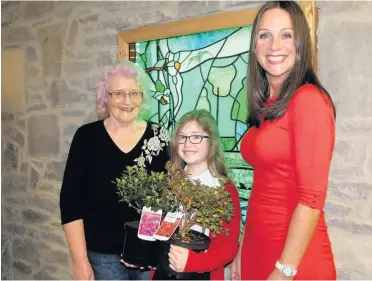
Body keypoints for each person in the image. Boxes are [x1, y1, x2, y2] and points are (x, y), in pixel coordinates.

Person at [230, 1, 336, 280]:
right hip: (258, 249)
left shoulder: (309, 100)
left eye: (286, 35)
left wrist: (283, 271)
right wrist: (243, 246)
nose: (274, 45)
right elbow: (263, 185)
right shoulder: (267, 105)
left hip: (295, 261)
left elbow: (311, 200)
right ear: (255, 46)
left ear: (300, 44)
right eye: (265, 35)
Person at [60, 62, 170, 280]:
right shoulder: (87, 138)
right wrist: (80, 260)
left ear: (142, 97)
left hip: (148, 251)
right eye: (118, 93)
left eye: (133, 93)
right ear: (106, 97)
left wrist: (149, 246)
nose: (127, 101)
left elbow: (166, 197)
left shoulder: (159, 136)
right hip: (103, 256)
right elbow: (70, 202)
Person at [152, 110, 241, 280]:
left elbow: (227, 249)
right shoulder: (170, 183)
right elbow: (161, 231)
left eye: (196, 137)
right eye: (182, 137)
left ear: (212, 142)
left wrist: (193, 262)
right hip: (164, 271)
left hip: (201, 273)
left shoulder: (224, 190)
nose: (187, 144)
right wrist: (145, 254)